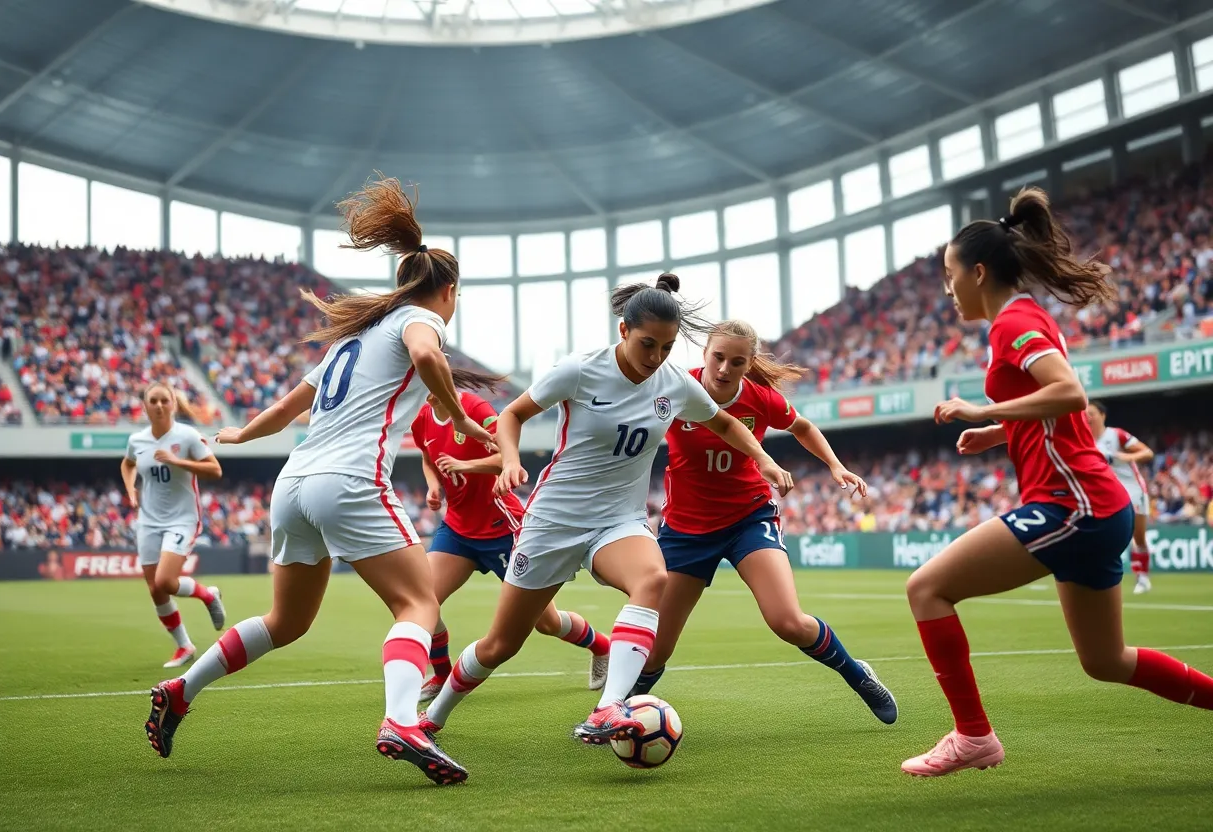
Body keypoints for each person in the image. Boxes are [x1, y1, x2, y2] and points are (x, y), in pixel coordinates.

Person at [143, 175, 497, 786]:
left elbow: (284, 411)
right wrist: (459, 414)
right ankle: (400, 721)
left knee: (286, 621)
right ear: (448, 291)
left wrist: (238, 436)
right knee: (418, 602)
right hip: (351, 480)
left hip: (294, 484)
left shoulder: (349, 340)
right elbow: (427, 358)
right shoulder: (421, 320)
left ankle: (180, 689)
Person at [418, 274, 796, 749]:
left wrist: (763, 458)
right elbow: (512, 414)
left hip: (618, 521)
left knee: (652, 579)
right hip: (554, 520)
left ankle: (609, 707)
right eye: (646, 344)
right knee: (502, 644)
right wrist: (510, 461)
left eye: (666, 346)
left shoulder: (675, 384)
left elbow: (723, 422)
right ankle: (431, 718)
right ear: (623, 331)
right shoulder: (580, 369)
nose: (655, 357)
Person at [909, 186, 1213, 777]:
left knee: (926, 589)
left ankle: (974, 737)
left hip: (1073, 506)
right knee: (1105, 660)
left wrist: (979, 412)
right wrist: (999, 434)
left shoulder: (1012, 322)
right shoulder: (1028, 315)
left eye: (950, 276)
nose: (948, 291)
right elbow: (1059, 412)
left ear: (977, 271)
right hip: (1097, 505)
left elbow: (1071, 392)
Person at [629, 320, 897, 724]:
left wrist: (836, 466)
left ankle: (859, 676)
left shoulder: (760, 399)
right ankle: (616, 712)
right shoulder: (674, 387)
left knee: (787, 621)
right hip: (685, 529)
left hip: (748, 519)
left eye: (737, 362)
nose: (724, 369)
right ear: (704, 352)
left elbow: (802, 426)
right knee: (656, 650)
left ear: (749, 362)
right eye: (718, 357)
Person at [412, 388, 611, 701]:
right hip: (458, 529)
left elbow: (507, 457)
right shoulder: (421, 417)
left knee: (546, 622)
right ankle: (441, 675)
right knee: (421, 598)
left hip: (502, 527)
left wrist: (466, 466)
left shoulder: (475, 408)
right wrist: (434, 485)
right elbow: (427, 458)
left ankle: (603, 647)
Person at [121, 383, 225, 668]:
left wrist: (178, 461)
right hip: (148, 521)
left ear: (173, 405)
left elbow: (215, 470)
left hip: (182, 518)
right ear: (144, 405)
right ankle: (184, 646)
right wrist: (131, 490)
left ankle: (208, 594)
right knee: (156, 591)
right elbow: (127, 464)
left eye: (164, 400)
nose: (158, 405)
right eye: (152, 400)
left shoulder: (187, 436)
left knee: (165, 581)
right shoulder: (137, 440)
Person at [1086, 401, 1156, 594]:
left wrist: (1122, 457)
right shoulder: (1085, 440)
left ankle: (1143, 577)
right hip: (1108, 493)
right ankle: (1101, 576)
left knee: (1138, 536)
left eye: (1091, 413)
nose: (1088, 417)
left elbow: (1147, 453)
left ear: (1103, 416)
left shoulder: (1116, 435)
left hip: (1133, 489)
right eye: (1085, 414)